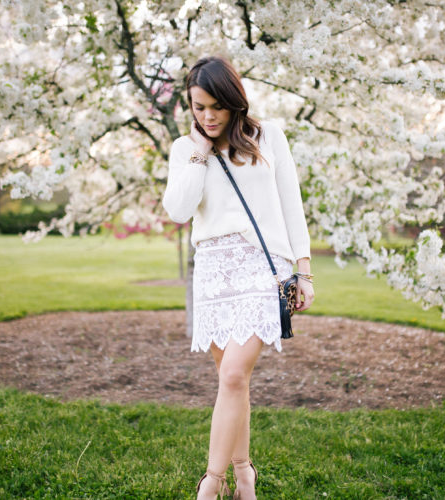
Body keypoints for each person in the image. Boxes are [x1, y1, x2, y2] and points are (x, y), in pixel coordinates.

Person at [162, 55, 315, 500]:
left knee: (232, 376)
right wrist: (199, 152)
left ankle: (211, 483)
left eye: (215, 106)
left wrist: (304, 273)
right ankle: (244, 473)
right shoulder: (185, 150)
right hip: (213, 271)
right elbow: (178, 210)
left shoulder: (269, 137)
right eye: (197, 107)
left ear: (234, 102)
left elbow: (292, 205)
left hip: (261, 271)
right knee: (234, 382)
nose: (207, 116)